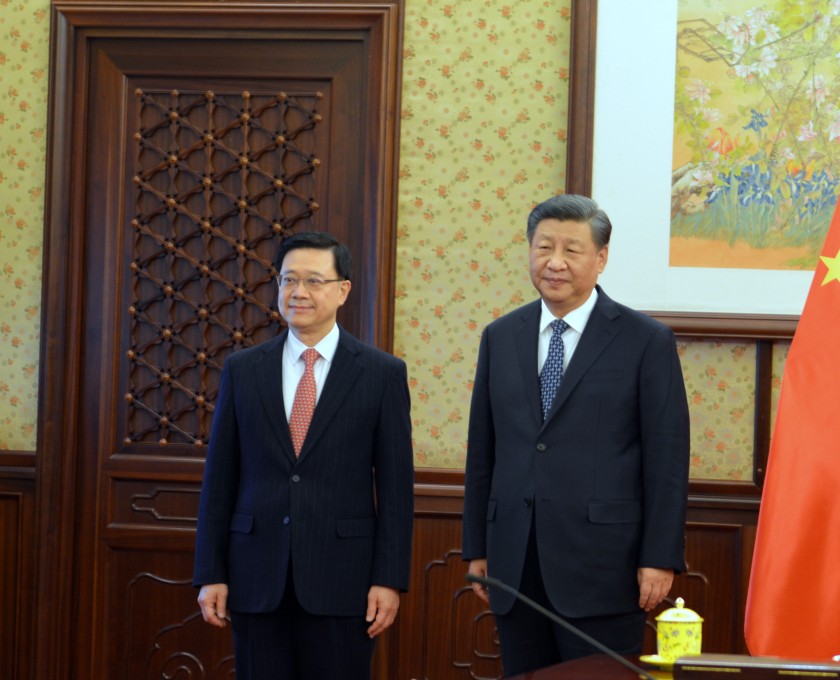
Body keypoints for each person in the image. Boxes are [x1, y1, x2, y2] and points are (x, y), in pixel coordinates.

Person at [462, 194, 691, 675]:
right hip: (514, 561)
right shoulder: (500, 336)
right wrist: (477, 546)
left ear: (601, 258)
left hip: (605, 567)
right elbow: (484, 450)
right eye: (544, 247)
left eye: (572, 250)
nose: (555, 262)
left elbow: (667, 458)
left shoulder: (645, 340)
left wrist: (659, 556)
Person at [193, 231, 414, 680]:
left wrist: (388, 579)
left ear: (342, 290)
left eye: (314, 281)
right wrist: (210, 572)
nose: (298, 292)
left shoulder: (381, 374)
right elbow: (220, 479)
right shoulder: (243, 369)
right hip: (256, 575)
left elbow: (396, 489)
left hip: (344, 581)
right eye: (288, 279)